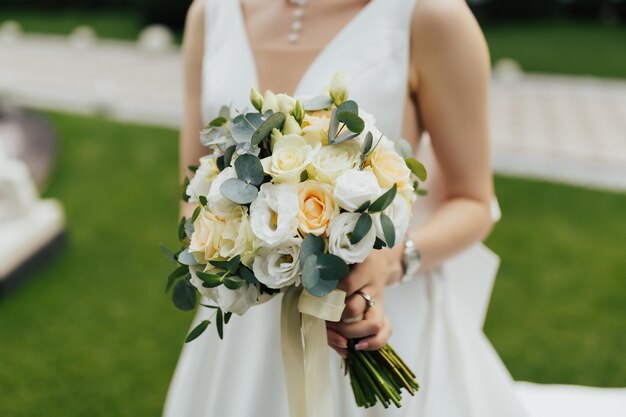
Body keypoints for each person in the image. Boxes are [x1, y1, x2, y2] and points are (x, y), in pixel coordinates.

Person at [164, 1, 626, 416]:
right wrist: (237, 251)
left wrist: (391, 259)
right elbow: (194, 186)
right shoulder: (209, 13)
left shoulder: (430, 16)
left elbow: (474, 201)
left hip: (377, 314)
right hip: (243, 331)